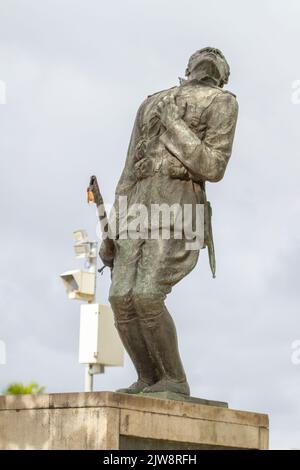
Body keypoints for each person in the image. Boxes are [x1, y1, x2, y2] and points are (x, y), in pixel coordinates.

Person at [100, 47, 239, 396]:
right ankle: (148, 378)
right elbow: (128, 169)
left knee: (147, 294)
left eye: (218, 56)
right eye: (203, 53)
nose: (211, 54)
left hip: (179, 207)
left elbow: (212, 166)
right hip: (136, 206)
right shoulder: (152, 101)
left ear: (222, 76)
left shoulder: (223, 103)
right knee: (120, 297)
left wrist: (174, 125)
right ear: (187, 66)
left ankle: (174, 380)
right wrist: (111, 229)